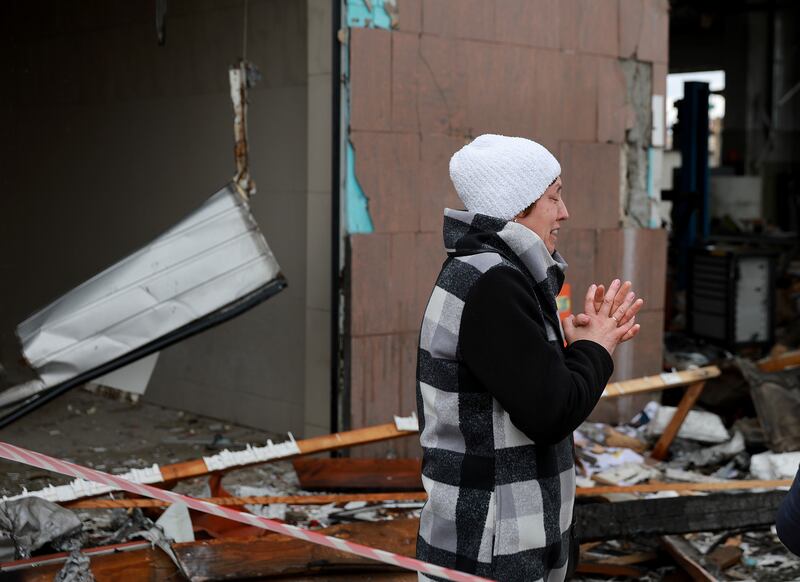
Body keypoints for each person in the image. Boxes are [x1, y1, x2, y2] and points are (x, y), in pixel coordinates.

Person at [415, 134, 644, 581]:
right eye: (554, 196)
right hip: (495, 549)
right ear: (518, 205)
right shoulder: (495, 283)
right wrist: (597, 347)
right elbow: (551, 411)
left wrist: (573, 350)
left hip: (493, 537)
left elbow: (526, 389)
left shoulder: (483, 271)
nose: (565, 212)